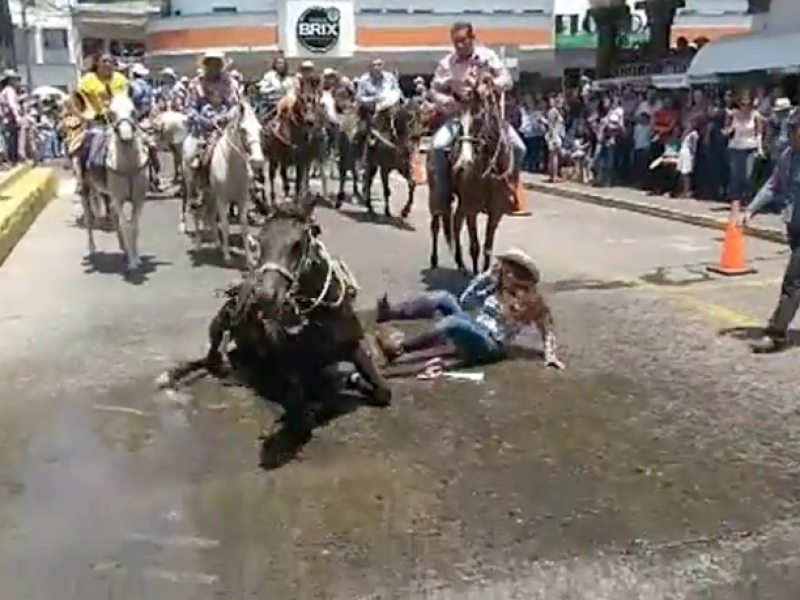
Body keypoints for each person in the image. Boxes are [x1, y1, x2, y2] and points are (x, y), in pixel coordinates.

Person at [375, 248, 565, 369]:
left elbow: (547, 329)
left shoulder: (530, 301)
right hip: (475, 330)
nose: (504, 272)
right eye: (504, 268)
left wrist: (550, 356)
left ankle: (399, 349)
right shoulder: (496, 288)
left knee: (453, 322)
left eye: (509, 270)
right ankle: (391, 313)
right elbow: (466, 300)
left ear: (520, 275)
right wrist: (485, 277)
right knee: (445, 297)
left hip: (490, 345)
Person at [429, 21, 526, 201]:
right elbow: (434, 90)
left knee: (519, 147)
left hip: (488, 117)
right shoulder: (446, 64)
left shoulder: (488, 57)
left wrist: (491, 84)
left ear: (472, 38)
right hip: (460, 117)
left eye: (463, 40)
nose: (459, 45)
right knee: (438, 146)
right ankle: (443, 193)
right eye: (455, 41)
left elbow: (507, 79)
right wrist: (451, 101)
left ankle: (510, 186)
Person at [742, 112, 800, 353]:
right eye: (792, 128)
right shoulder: (789, 155)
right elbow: (774, 185)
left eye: (794, 129)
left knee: (793, 281)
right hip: (794, 224)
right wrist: (752, 209)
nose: (791, 134)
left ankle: (776, 334)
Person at [184, 50, 240, 169]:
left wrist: (226, 117)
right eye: (211, 63)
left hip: (227, 125)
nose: (214, 67)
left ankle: (254, 178)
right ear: (206, 65)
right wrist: (204, 121)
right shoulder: (196, 84)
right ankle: (196, 182)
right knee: (190, 154)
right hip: (202, 128)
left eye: (217, 64)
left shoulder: (229, 83)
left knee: (248, 146)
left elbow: (235, 105)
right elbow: (190, 108)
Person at [77, 53, 129, 173]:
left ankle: (152, 175)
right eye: (104, 61)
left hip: (119, 120)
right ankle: (85, 179)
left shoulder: (121, 79)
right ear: (97, 64)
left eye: (110, 61)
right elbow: (80, 101)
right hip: (97, 122)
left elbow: (124, 99)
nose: (107, 64)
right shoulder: (87, 80)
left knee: (146, 143)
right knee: (88, 147)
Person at [354, 57, 402, 144]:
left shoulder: (390, 77)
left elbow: (397, 90)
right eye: (374, 65)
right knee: (364, 125)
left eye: (379, 65)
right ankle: (368, 139)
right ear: (370, 67)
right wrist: (374, 99)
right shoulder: (364, 80)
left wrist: (392, 98)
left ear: (383, 66)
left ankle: (402, 141)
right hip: (371, 107)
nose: (377, 67)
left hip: (389, 104)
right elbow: (360, 97)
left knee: (401, 116)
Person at [0, 68, 23, 164]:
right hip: (10, 119)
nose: (16, 81)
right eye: (14, 79)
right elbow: (12, 104)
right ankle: (11, 160)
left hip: (7, 118)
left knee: (9, 140)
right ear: (9, 80)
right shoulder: (9, 90)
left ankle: (10, 160)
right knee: (11, 141)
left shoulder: (5, 91)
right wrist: (17, 116)